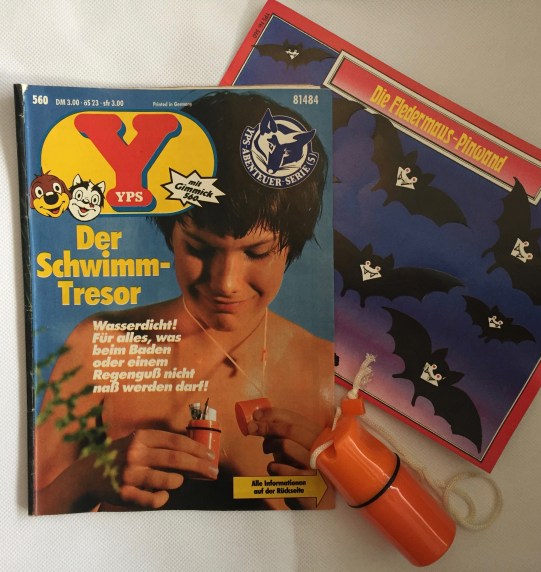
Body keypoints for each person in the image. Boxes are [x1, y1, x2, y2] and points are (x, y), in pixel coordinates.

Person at [34, 91, 334, 513]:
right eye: (200, 248)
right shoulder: (100, 344)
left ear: (292, 248)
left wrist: (322, 501)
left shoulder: (323, 367)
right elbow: (32, 512)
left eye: (257, 252)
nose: (226, 283)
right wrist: (85, 479)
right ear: (171, 235)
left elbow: (348, 517)